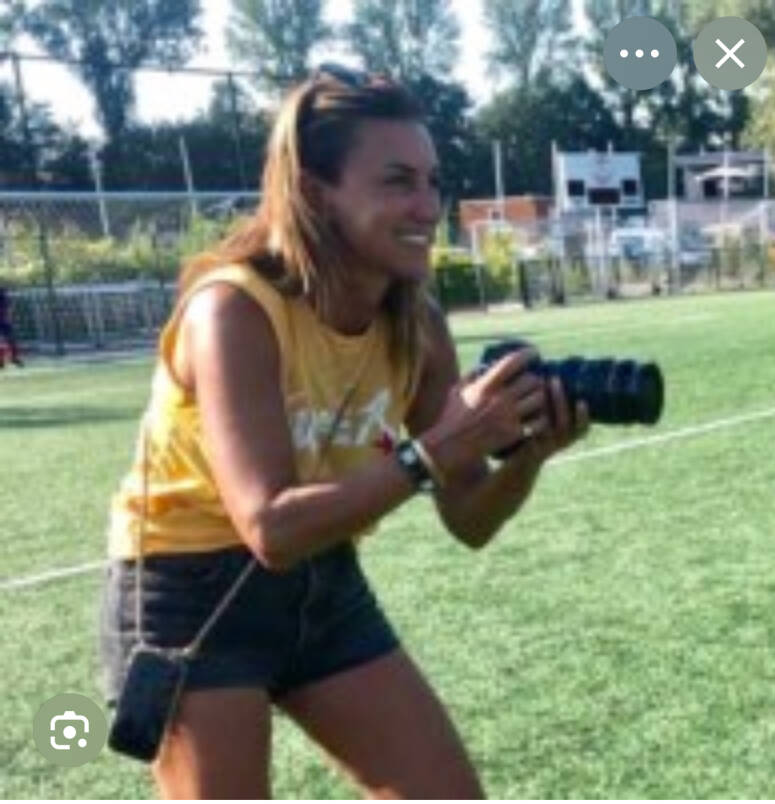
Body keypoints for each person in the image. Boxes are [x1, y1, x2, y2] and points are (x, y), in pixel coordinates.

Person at [98, 63, 589, 800]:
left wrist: (526, 458)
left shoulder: (416, 322)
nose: (427, 205)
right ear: (315, 192)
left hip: (324, 579)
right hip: (187, 591)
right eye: (397, 181)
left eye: (432, 181)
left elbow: (469, 519)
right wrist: (435, 450)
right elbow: (269, 527)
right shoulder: (233, 311)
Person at [0, 285, 23, 367]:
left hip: (4, 320)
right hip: (4, 320)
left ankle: (13, 358)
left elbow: (7, 308)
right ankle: (4, 360)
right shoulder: (4, 296)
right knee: (9, 340)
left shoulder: (3, 295)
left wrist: (8, 316)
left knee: (11, 339)